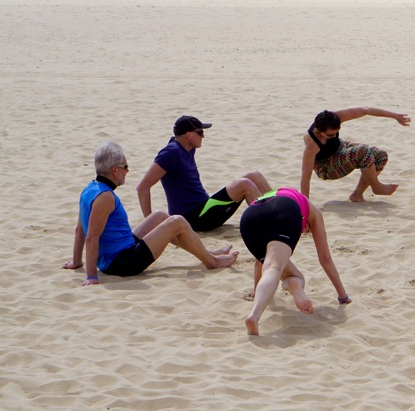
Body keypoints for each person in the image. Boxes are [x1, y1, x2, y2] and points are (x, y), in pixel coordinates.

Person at [64, 142, 239, 285]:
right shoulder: (105, 197)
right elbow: (91, 237)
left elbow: (80, 229)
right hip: (123, 262)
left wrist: (76, 262)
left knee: (161, 216)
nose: (127, 171)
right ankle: (211, 261)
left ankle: (205, 252)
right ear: (114, 170)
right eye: (125, 167)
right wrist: (91, 277)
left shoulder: (89, 189)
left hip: (122, 249)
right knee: (177, 221)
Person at [241, 187, 350, 336]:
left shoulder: (284, 193)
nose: (305, 231)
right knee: (274, 267)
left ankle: (293, 283)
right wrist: (343, 297)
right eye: (308, 230)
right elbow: (325, 259)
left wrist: (256, 291)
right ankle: (254, 315)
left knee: (272, 265)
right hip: (285, 209)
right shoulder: (314, 212)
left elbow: (259, 262)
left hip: (249, 216)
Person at [137, 115, 271, 231]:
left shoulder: (187, 148)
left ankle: (279, 211)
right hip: (192, 218)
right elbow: (142, 187)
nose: (203, 136)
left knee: (254, 176)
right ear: (188, 135)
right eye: (200, 132)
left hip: (204, 208)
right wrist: (150, 222)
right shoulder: (171, 153)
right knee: (245, 184)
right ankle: (270, 223)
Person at [301, 107, 411, 202]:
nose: (334, 136)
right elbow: (306, 178)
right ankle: (376, 186)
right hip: (326, 168)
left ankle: (357, 194)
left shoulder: (333, 117)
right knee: (362, 151)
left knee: (380, 155)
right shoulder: (312, 145)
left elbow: (365, 110)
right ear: (319, 132)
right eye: (330, 135)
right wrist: (306, 207)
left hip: (340, 148)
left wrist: (394, 116)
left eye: (336, 133)